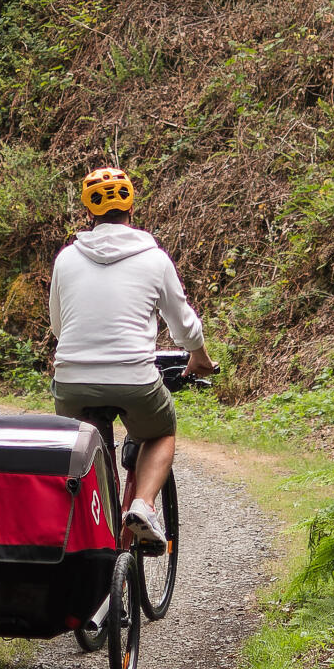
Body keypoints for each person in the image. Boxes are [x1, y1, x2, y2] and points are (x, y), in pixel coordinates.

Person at [48, 167, 217, 555]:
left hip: (72, 380)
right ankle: (142, 506)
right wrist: (200, 357)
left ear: (88, 213)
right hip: (134, 379)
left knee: (81, 449)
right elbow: (184, 324)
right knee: (161, 431)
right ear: (131, 208)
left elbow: (59, 325)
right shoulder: (153, 259)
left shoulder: (67, 259)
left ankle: (86, 527)